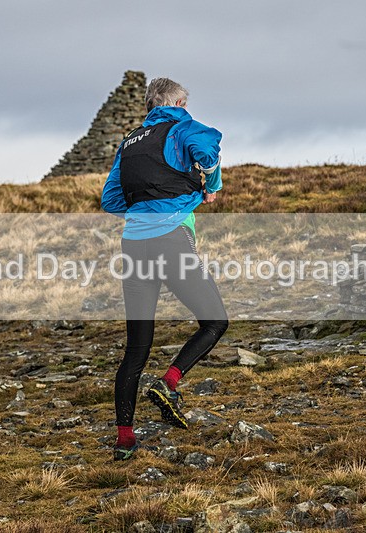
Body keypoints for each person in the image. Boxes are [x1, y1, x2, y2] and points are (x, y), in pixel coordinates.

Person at [101, 77, 229, 461]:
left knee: (136, 349)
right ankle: (169, 383)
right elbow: (208, 147)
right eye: (185, 102)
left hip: (134, 244)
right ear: (175, 101)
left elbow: (110, 199)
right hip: (172, 238)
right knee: (214, 321)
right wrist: (209, 182)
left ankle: (125, 440)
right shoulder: (182, 126)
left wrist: (147, 205)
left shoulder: (129, 143)